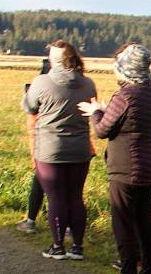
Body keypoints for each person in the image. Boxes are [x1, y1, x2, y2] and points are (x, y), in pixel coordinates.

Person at [79, 43, 151, 274]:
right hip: (150, 166)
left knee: (123, 223)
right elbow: (129, 123)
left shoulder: (125, 95)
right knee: (144, 222)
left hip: (126, 168)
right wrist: (106, 112)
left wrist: (95, 112)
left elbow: (103, 130)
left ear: (125, 70)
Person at [22, 40, 97, 260]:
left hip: (50, 149)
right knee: (75, 196)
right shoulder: (88, 83)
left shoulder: (42, 82)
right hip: (80, 148)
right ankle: (77, 247)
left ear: (54, 61)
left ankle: (57, 246)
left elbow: (29, 107)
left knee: (56, 197)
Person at [16, 57, 51, 234]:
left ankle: (31, 221)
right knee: (68, 189)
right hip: (72, 148)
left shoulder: (38, 90)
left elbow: (28, 107)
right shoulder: (76, 86)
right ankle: (67, 226)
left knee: (41, 184)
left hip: (43, 148)